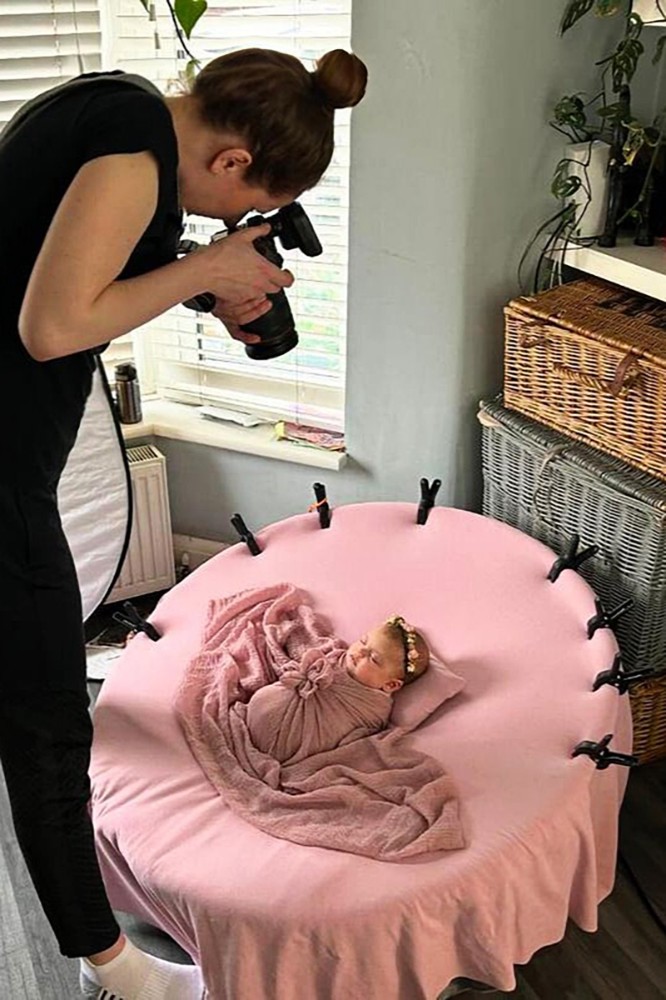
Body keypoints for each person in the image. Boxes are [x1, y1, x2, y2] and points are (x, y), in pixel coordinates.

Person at [0, 46, 367, 1000]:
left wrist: (201, 281)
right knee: (44, 727)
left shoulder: (113, 110)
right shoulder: (132, 150)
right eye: (229, 210)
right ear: (236, 159)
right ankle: (118, 969)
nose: (223, 225)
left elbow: (62, 279)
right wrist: (200, 265)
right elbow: (49, 328)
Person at [245, 613, 430, 764]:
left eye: (372, 658)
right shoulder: (339, 657)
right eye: (363, 641)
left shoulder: (372, 709)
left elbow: (353, 743)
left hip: (293, 743)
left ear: (390, 685)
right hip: (265, 708)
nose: (359, 651)